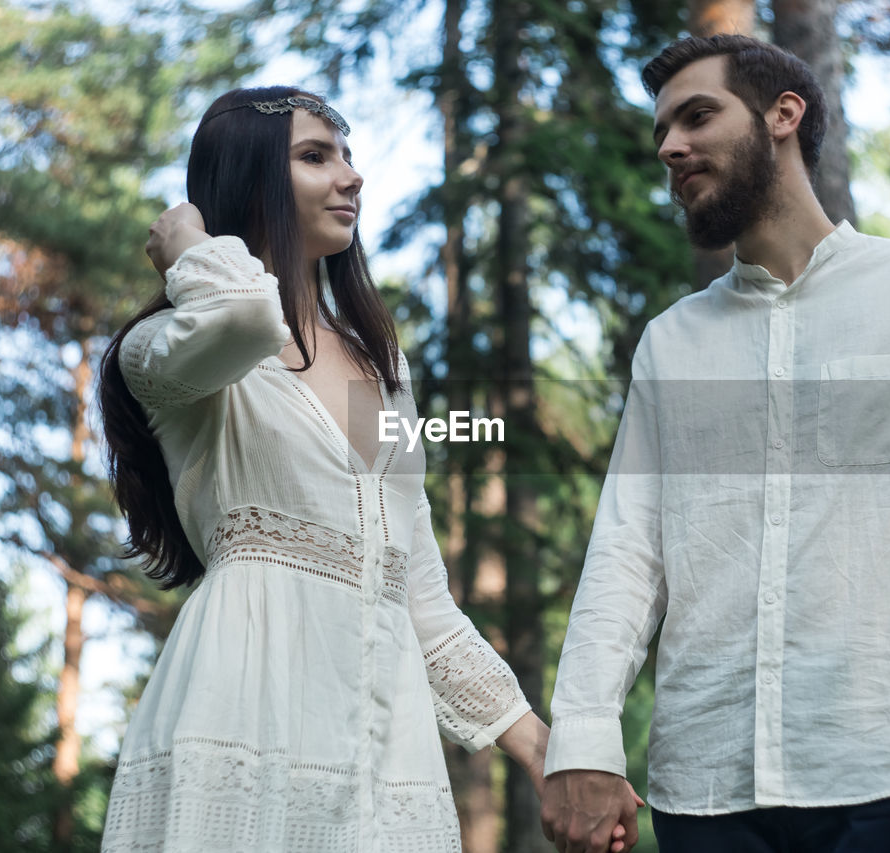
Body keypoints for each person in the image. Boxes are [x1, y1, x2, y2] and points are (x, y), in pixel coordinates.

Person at [539, 36, 890, 853]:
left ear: (783, 115)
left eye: (697, 116)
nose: (669, 148)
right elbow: (626, 553)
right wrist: (581, 739)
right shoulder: (671, 342)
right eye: (660, 132)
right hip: (705, 791)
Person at [97, 86, 551, 853]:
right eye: (316, 156)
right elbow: (246, 318)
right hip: (245, 712)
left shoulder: (382, 366)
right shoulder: (169, 348)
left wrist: (543, 750)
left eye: (347, 155)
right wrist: (190, 245)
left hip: (384, 743)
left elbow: (417, 594)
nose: (352, 176)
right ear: (248, 182)